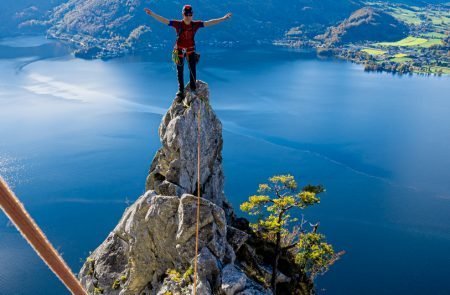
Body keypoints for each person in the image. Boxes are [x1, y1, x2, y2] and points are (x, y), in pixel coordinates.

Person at [144, 5, 232, 97]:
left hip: (190, 50)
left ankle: (193, 89)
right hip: (179, 51)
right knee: (180, 71)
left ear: (192, 15)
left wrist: (223, 18)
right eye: (186, 14)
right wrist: (152, 14)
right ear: (183, 14)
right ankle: (181, 91)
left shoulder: (195, 24)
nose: (188, 16)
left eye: (190, 14)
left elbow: (209, 23)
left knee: (192, 70)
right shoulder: (178, 24)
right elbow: (164, 20)